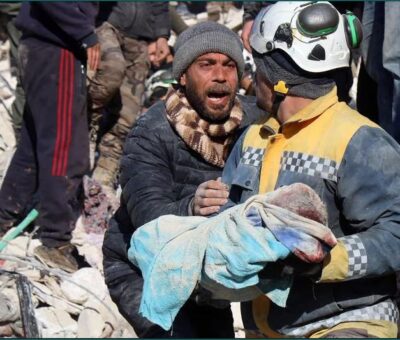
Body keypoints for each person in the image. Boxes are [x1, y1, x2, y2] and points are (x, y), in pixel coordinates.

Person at [221, 2, 400, 338]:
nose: (252, 77)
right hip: (271, 327)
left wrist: (323, 261)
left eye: (258, 66)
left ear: (277, 78)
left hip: (350, 323)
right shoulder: (254, 138)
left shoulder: (359, 141)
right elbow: (232, 218)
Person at [102, 22, 266, 338]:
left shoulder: (254, 123)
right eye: (207, 65)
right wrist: (191, 206)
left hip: (208, 271)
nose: (220, 76)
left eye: (229, 66)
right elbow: (147, 217)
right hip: (145, 268)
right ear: (183, 75)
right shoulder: (149, 133)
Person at [0, 2, 99, 272]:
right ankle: (55, 240)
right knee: (64, 149)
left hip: (45, 50)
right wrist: (84, 33)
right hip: (57, 50)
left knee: (32, 146)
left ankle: (4, 216)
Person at [88, 2, 171, 192]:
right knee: (111, 71)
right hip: (105, 23)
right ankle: (86, 128)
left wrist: (162, 34)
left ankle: (102, 182)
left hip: (141, 36)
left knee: (127, 114)